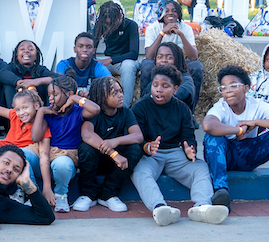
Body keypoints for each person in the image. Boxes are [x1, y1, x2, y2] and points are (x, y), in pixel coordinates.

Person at [130, 65, 227, 227]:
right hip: (150, 155)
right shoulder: (140, 107)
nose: (159, 90)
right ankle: (160, 208)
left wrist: (190, 149)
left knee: (201, 168)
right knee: (139, 172)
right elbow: (135, 136)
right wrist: (147, 146)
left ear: (175, 89)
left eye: (165, 86)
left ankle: (202, 207)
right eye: (155, 85)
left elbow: (188, 136)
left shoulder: (182, 109)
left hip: (175, 153)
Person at [201, 64, 269, 214]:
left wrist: (256, 122)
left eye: (233, 86)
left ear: (246, 88)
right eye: (223, 88)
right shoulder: (220, 107)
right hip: (225, 156)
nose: (228, 91)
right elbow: (208, 125)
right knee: (212, 138)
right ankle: (221, 193)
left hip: (249, 155)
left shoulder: (257, 105)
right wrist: (239, 130)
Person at [74, 76, 144, 212]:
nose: (120, 95)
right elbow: (87, 134)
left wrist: (115, 141)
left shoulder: (126, 112)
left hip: (117, 165)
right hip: (96, 161)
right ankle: (88, 194)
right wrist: (114, 153)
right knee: (86, 148)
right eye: (114, 93)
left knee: (135, 149)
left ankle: (109, 194)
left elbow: (138, 136)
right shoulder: (94, 113)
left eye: (121, 91)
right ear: (101, 97)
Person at [31, 76, 99, 212]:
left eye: (54, 94)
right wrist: (41, 111)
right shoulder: (48, 114)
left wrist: (74, 98)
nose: (50, 98)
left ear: (68, 94)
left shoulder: (78, 112)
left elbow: (95, 109)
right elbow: (35, 137)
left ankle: (61, 194)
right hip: (44, 160)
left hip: (65, 162)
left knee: (62, 163)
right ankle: (33, 193)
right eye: (49, 95)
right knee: (24, 154)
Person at [140, 0, 204, 103]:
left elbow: (193, 57)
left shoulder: (186, 28)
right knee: (146, 65)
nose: (170, 13)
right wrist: (162, 33)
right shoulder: (152, 29)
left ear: (178, 14)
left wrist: (181, 34)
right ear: (161, 13)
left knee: (196, 67)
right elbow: (149, 56)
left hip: (179, 64)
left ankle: (192, 108)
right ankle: (145, 103)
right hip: (159, 64)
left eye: (174, 11)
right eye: (167, 10)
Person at [91, 1, 139, 105]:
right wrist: (93, 59)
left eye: (113, 23)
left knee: (128, 65)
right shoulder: (101, 25)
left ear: (121, 16)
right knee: (93, 66)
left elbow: (134, 53)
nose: (110, 27)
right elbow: (92, 45)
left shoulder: (131, 25)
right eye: (107, 24)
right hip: (109, 63)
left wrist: (111, 59)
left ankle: (124, 107)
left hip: (125, 61)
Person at [0, 39, 53, 106]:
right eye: (22, 49)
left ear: (36, 55)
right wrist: (20, 82)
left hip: (38, 107)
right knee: (8, 84)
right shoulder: (12, 67)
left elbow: (59, 78)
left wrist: (36, 81)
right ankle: (14, 113)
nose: (26, 51)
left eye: (30, 49)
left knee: (52, 84)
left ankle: (49, 113)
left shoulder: (40, 69)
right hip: (16, 108)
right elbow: (2, 73)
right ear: (16, 55)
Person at [154, 43, 197, 111]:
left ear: (178, 59)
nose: (163, 60)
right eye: (160, 57)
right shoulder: (154, 79)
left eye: (169, 57)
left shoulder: (185, 78)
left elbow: (186, 91)